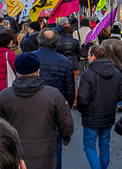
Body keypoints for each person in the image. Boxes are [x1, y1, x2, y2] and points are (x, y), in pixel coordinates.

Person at [0, 53, 75, 169]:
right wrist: (65, 136)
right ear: (38, 71)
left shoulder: (4, 96)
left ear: (17, 72)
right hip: (46, 152)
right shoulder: (53, 95)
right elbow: (67, 123)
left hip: (15, 153)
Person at [32, 28, 75, 169]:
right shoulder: (64, 62)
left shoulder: (30, 58)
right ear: (57, 42)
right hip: (55, 109)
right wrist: (65, 107)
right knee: (55, 149)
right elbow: (70, 89)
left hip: (32, 106)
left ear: (39, 40)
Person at [77, 45, 122, 169]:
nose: (87, 57)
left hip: (91, 115)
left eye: (88, 55)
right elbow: (121, 94)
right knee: (104, 145)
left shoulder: (88, 75)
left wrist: (82, 109)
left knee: (89, 146)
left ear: (93, 57)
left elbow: (82, 97)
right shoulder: (116, 72)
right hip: (108, 114)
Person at [101, 25, 122, 111]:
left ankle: (107, 103)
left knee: (106, 86)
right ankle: (119, 103)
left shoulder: (104, 43)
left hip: (106, 66)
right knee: (118, 86)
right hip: (119, 67)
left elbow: (101, 54)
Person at [56, 26, 81, 108]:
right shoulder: (75, 41)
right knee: (74, 83)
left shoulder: (59, 41)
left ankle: (63, 100)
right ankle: (75, 101)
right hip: (74, 63)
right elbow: (78, 54)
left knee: (62, 83)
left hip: (62, 64)